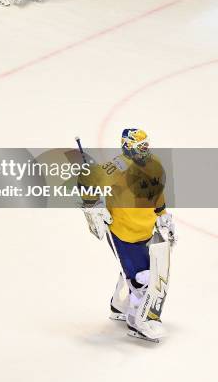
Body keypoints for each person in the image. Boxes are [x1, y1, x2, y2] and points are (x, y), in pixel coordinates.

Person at [78, 129, 176, 342]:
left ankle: (118, 306)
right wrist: (91, 207)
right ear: (128, 147)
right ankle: (137, 320)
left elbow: (156, 192)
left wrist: (163, 216)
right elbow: (87, 182)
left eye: (146, 146)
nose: (145, 150)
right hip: (122, 234)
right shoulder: (118, 167)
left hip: (146, 231)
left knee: (135, 273)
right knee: (143, 278)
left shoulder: (154, 164)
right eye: (140, 147)